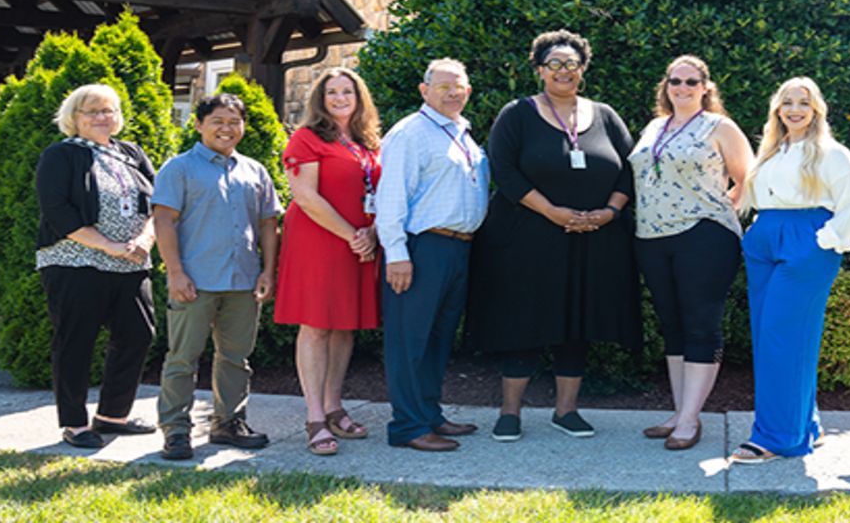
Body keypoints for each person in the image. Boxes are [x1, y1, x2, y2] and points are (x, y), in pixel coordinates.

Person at [465, 29, 641, 442]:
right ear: (540, 70)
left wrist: (610, 212)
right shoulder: (517, 114)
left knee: (577, 321)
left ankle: (567, 411)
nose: (564, 71)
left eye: (572, 63)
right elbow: (505, 171)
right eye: (555, 64)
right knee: (523, 321)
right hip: (527, 240)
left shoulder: (605, 115)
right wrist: (551, 211)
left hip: (591, 240)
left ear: (583, 69)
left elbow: (629, 170)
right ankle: (510, 413)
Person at [730, 77, 850, 463]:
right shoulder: (771, 151)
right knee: (768, 336)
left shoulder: (831, 153)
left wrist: (824, 242)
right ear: (777, 109)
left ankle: (778, 438)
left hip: (805, 242)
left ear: (816, 109)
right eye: (787, 102)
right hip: (765, 241)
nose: (794, 109)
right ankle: (805, 425)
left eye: (803, 102)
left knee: (783, 337)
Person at [629, 56, 752, 451]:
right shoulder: (654, 127)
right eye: (675, 81)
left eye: (691, 81)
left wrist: (722, 210)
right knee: (672, 325)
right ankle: (679, 411)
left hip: (703, 236)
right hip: (652, 236)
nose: (682, 88)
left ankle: (689, 419)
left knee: (700, 325)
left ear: (705, 87)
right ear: (666, 87)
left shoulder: (720, 127)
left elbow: (748, 179)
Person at [151, 93, 282, 460]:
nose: (227, 128)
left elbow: (268, 224)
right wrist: (175, 272)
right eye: (218, 121)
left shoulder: (255, 171)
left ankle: (228, 422)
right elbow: (163, 221)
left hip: (243, 281)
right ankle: (176, 430)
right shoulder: (179, 168)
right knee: (182, 358)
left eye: (234, 122)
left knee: (236, 358)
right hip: (195, 281)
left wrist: (268, 271)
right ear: (198, 125)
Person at [375, 59, 490, 452]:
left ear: (468, 90)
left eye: (459, 86)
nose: (452, 93)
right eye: (443, 86)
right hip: (421, 248)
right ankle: (408, 426)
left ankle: (429, 414)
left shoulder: (463, 134)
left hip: (458, 248)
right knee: (409, 340)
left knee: (438, 339)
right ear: (424, 91)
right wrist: (397, 254)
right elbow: (391, 197)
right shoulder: (410, 133)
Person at [34, 83, 157, 449]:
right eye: (93, 111)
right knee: (77, 341)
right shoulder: (61, 155)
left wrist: (145, 239)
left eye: (109, 110)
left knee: (138, 333)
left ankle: (112, 415)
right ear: (74, 118)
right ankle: (74, 423)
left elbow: (158, 204)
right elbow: (57, 210)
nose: (103, 117)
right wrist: (107, 245)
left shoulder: (132, 153)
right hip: (76, 260)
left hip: (131, 261)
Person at [274, 67, 382, 456]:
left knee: (344, 326)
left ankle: (335, 406)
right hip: (320, 240)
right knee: (317, 325)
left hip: (359, 242)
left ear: (359, 97)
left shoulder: (368, 142)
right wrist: (353, 235)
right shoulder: (307, 138)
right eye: (331, 92)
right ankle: (315, 417)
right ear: (320, 99)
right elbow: (305, 196)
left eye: (347, 91)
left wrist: (371, 234)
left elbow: (378, 193)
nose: (339, 98)